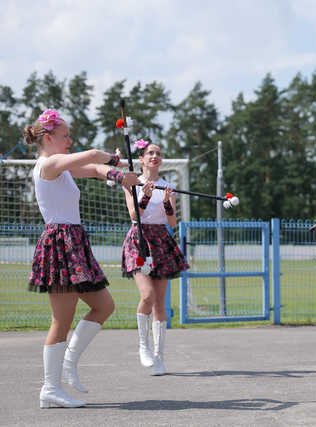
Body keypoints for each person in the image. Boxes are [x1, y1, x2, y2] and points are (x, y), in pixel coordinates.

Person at [25, 109, 139, 408]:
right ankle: (50, 389)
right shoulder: (48, 164)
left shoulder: (61, 167)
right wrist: (112, 159)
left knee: (104, 306)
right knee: (61, 320)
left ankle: (69, 362)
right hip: (60, 245)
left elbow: (92, 169)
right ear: (48, 138)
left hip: (74, 242)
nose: (69, 140)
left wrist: (118, 175)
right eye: (64, 136)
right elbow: (89, 156)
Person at [121, 139, 189, 376]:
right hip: (139, 239)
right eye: (150, 153)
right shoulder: (132, 183)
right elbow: (134, 214)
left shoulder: (167, 186)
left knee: (160, 303)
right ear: (141, 158)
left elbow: (171, 222)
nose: (155, 156)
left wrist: (169, 202)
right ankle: (143, 346)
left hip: (161, 240)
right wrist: (146, 196)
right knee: (147, 295)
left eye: (158, 153)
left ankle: (159, 357)